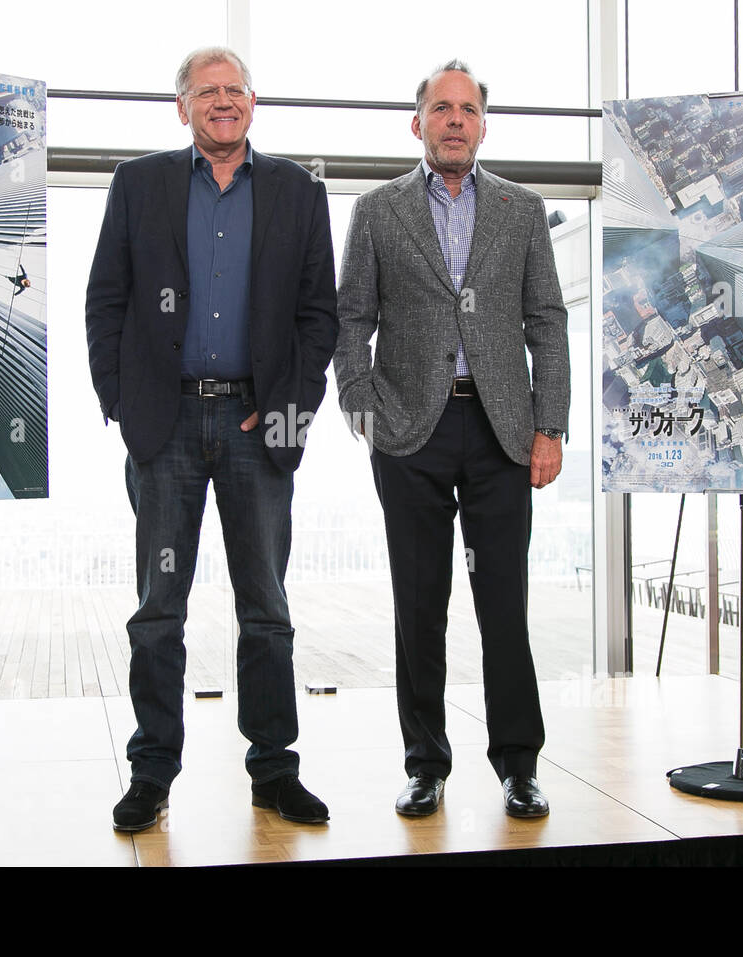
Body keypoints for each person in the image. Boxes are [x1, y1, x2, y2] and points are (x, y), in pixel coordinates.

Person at [85, 47, 338, 832]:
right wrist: (122, 400)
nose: (222, 102)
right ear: (182, 106)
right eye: (207, 92)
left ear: (252, 104)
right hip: (164, 428)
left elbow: (317, 315)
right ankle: (151, 771)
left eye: (234, 91)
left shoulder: (298, 191)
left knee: (266, 607)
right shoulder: (139, 183)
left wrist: (289, 403)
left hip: (256, 427)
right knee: (159, 609)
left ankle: (273, 769)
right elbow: (107, 298)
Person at [333, 60, 569, 819]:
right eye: (442, 108)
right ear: (419, 123)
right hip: (409, 431)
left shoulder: (522, 209)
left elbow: (547, 322)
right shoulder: (376, 210)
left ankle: (519, 765)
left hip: (502, 429)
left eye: (468, 109)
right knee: (419, 604)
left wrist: (550, 426)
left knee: (504, 603)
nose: (456, 120)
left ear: (483, 125)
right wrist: (362, 407)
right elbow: (350, 319)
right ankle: (425, 763)